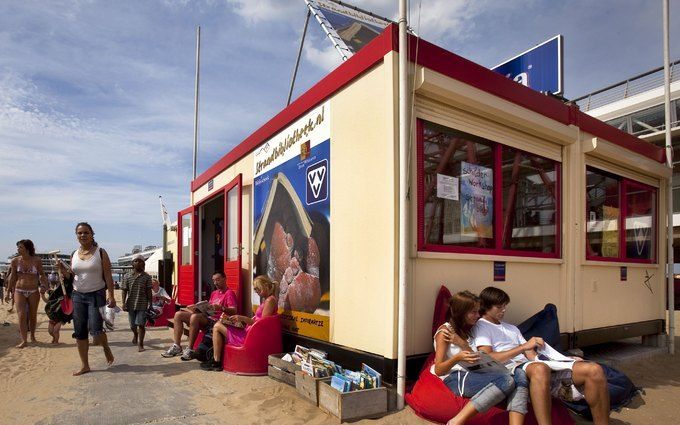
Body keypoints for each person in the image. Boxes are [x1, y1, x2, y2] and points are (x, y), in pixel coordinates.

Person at [474, 286, 610, 425]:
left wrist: (565, 360)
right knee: (540, 368)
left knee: (594, 370)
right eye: (499, 307)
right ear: (486, 306)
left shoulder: (512, 328)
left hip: (531, 365)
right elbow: (488, 357)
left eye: (505, 306)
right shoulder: (481, 326)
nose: (503, 310)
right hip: (510, 369)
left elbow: (531, 355)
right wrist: (523, 347)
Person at [433, 291, 527, 425]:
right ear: (461, 312)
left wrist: (462, 344)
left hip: (474, 372)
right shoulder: (445, 333)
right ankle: (457, 421)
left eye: (478, 311)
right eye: (473, 312)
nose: (478, 315)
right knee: (507, 381)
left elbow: (474, 356)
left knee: (520, 375)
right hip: (455, 377)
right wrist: (457, 358)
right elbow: (438, 369)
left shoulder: (467, 330)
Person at [57, 222, 116, 375]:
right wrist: (63, 270)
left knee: (96, 334)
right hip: (78, 295)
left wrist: (111, 295)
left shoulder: (101, 252)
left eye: (86, 232)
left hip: (96, 294)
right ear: (76, 236)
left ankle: (105, 347)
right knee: (80, 332)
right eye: (80, 233)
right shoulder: (73, 254)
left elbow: (108, 276)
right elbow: (72, 275)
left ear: (92, 234)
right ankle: (85, 365)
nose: (83, 235)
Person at [201, 275, 278, 371]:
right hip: (251, 332)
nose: (256, 291)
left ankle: (216, 361)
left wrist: (243, 318)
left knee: (217, 326)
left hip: (252, 336)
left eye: (257, 289)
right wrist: (237, 321)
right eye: (255, 289)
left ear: (265, 286)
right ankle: (216, 360)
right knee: (220, 324)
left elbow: (262, 325)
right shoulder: (268, 300)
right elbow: (258, 321)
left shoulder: (270, 300)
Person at [162, 271, 237, 360]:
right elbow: (208, 308)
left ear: (225, 279)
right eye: (214, 280)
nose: (215, 283)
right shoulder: (214, 293)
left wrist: (221, 308)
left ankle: (190, 349)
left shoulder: (229, 293)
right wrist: (197, 308)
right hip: (207, 318)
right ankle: (177, 346)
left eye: (218, 280)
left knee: (195, 317)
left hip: (217, 322)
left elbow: (234, 311)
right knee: (178, 314)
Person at [6, 240, 48, 348]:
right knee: (21, 315)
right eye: (18, 247)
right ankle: (24, 340)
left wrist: (43, 285)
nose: (18, 249)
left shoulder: (37, 260)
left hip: (33, 290)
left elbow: (42, 275)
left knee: (33, 315)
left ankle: (33, 336)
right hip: (19, 290)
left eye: (20, 247)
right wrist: (7, 292)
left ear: (27, 248)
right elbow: (13, 277)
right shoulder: (15, 261)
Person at [121, 254, 152, 352]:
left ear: (143, 263)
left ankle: (141, 344)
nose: (138, 263)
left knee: (141, 324)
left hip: (142, 304)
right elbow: (124, 290)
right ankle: (135, 334)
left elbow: (149, 291)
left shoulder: (147, 277)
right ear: (132, 263)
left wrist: (150, 304)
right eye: (136, 261)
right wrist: (123, 303)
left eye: (140, 261)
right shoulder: (127, 276)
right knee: (132, 325)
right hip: (130, 304)